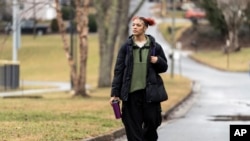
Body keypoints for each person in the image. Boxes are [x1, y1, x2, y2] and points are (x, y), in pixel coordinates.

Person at [110, 16, 168, 141]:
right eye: (133, 25)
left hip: (150, 94)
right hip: (131, 94)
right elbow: (118, 71)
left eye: (138, 25)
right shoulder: (126, 47)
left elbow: (164, 67)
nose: (135, 27)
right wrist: (115, 93)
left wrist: (157, 60)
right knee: (132, 126)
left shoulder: (154, 47)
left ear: (145, 28)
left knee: (153, 122)